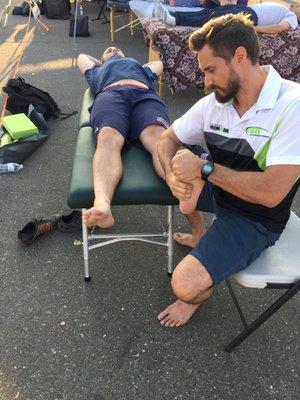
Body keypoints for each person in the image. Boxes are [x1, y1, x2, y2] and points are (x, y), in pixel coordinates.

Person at [157, 13, 300, 327]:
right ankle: (200, 234)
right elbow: (167, 140)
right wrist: (173, 175)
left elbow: (272, 193)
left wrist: (204, 168)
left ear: (240, 56)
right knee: (181, 161)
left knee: (184, 284)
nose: (206, 82)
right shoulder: (215, 104)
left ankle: (197, 295)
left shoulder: (292, 105)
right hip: (220, 190)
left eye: (211, 70)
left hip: (255, 217)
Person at [77, 48, 171, 229]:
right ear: (101, 59)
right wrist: (103, 63)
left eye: (116, 49)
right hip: (111, 95)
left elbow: (159, 64)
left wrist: (127, 62)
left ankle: (179, 186)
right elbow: (82, 57)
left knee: (157, 136)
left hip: (144, 95)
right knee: (108, 137)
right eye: (107, 50)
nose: (112, 49)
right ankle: (102, 205)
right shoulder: (96, 72)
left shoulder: (139, 68)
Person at [156, 0, 300, 33]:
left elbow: (278, 28)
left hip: (250, 16)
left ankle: (175, 20)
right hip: (246, 9)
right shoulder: (286, 9)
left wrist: (253, 28)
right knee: (210, 12)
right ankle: (173, 15)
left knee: (214, 18)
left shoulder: (291, 18)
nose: (296, 5)